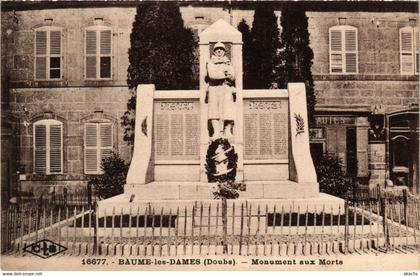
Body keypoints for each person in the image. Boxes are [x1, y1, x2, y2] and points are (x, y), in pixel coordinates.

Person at [205, 42, 236, 140]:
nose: (219, 51)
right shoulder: (211, 62)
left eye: (221, 49)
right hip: (214, 88)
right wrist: (224, 74)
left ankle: (227, 130)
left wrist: (228, 75)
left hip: (226, 88)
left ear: (224, 51)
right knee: (214, 111)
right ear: (214, 51)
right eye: (217, 49)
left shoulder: (228, 62)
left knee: (228, 110)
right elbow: (212, 75)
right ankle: (216, 132)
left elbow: (233, 76)